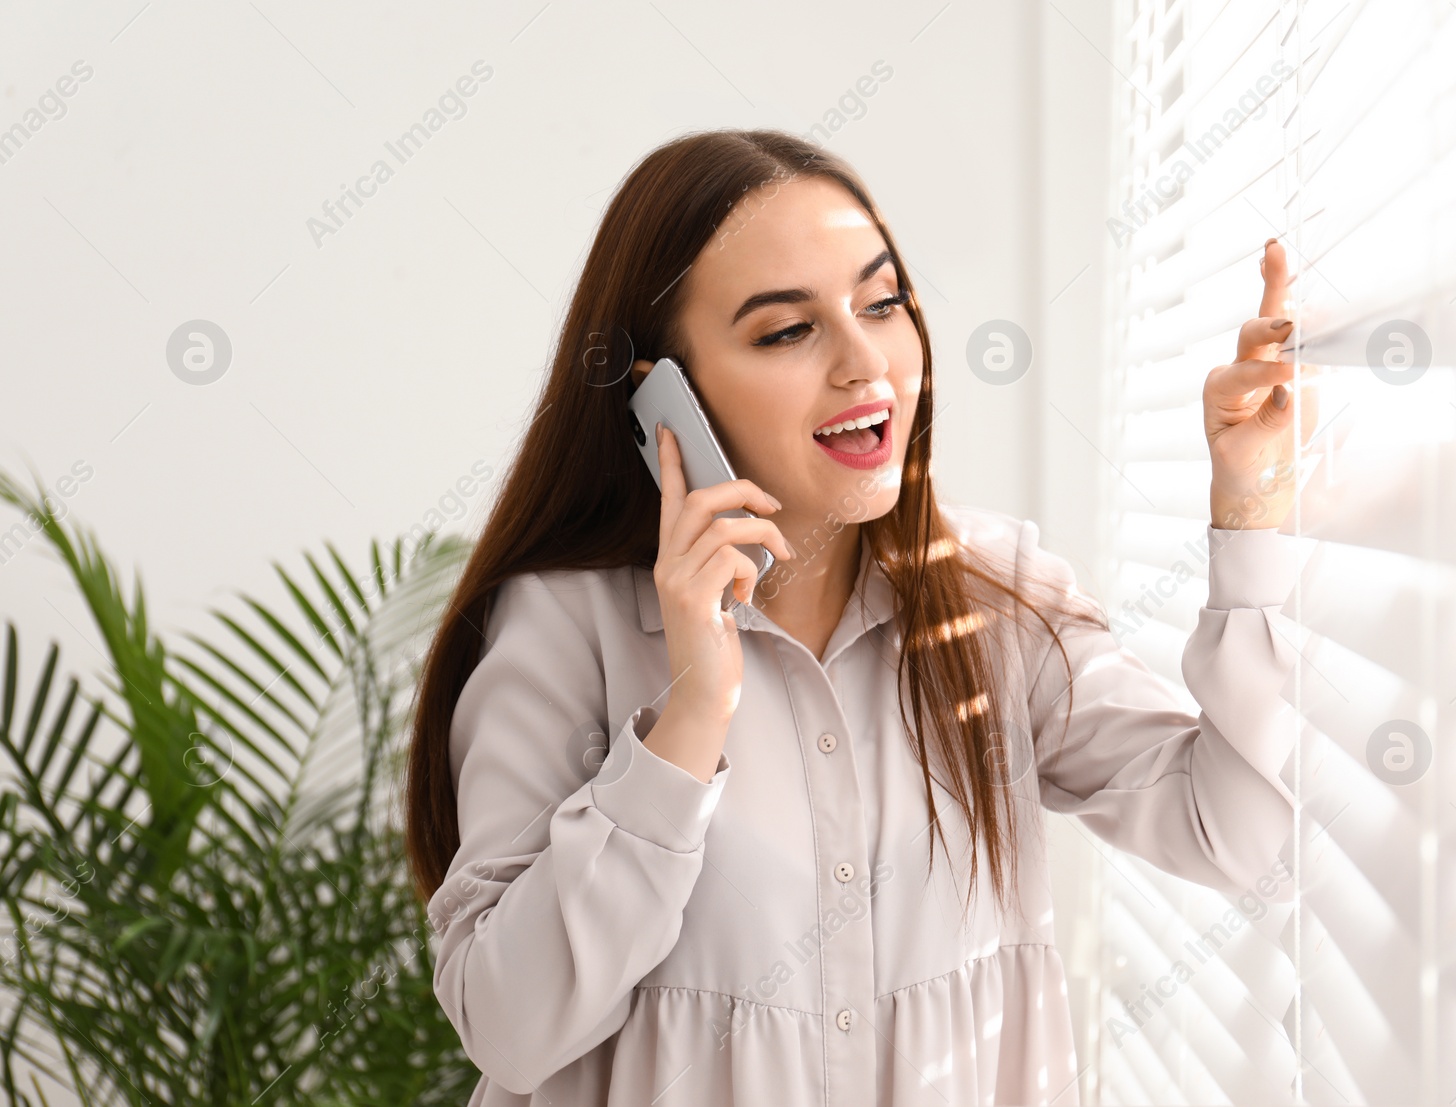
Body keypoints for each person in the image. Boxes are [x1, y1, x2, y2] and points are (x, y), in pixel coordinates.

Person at [404, 128, 1312, 1106]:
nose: (863, 360)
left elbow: (1247, 837)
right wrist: (694, 712)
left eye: (882, 304)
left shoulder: (992, 600)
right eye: (785, 330)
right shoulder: (563, 627)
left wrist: (1250, 507)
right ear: (663, 400)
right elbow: (509, 1029)